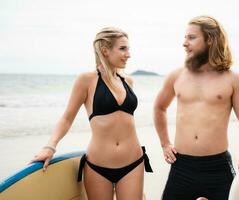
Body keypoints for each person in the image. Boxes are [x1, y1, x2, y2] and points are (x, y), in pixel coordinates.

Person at [30, 27, 152, 200]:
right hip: (97, 166)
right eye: (123, 48)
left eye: (128, 49)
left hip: (133, 163)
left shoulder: (128, 81)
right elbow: (67, 118)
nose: (128, 54)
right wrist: (50, 146)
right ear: (105, 50)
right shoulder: (86, 80)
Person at [153, 16, 239, 200]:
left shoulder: (233, 79)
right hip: (182, 166)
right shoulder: (176, 76)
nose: (184, 43)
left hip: (217, 167)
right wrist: (165, 144)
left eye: (191, 37)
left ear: (210, 39)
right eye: (185, 37)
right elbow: (159, 108)